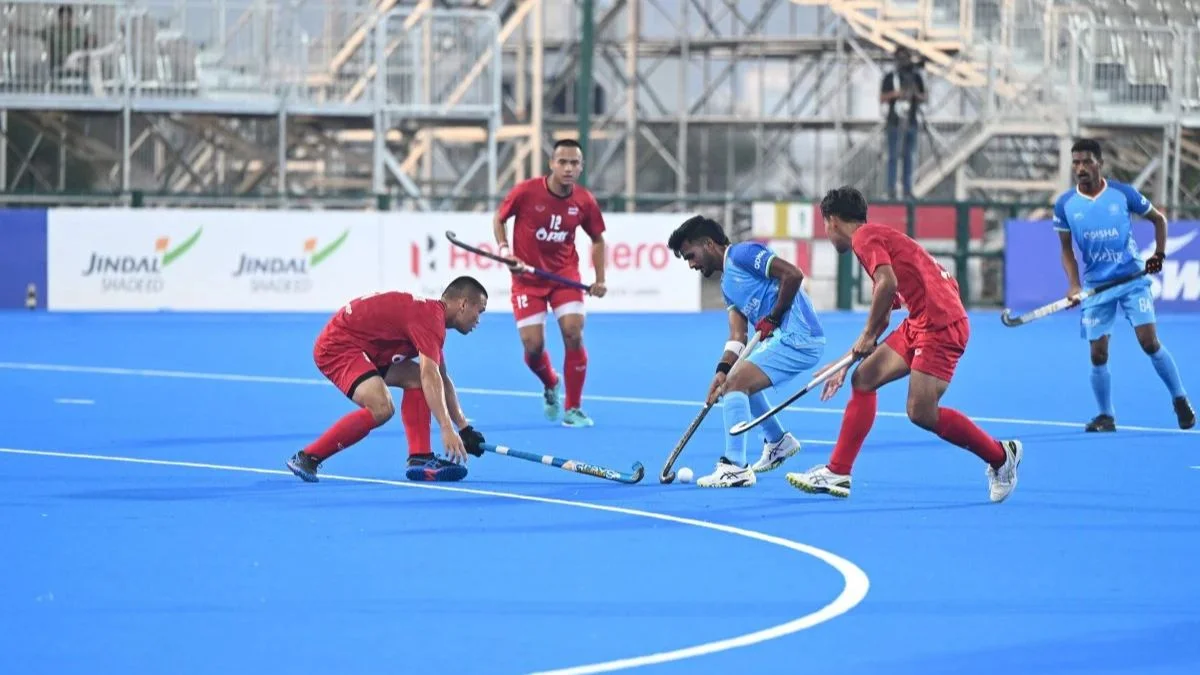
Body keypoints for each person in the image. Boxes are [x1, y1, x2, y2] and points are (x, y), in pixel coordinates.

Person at [786, 186, 1022, 502]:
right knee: (863, 378)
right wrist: (845, 363)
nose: (828, 234)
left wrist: (867, 336)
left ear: (833, 221)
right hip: (921, 321)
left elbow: (887, 284)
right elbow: (883, 316)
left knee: (921, 412)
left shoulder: (864, 239)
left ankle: (1000, 456)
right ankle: (838, 472)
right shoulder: (877, 238)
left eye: (826, 226)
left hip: (940, 326)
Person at [667, 216, 824, 487]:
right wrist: (722, 370)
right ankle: (778, 441)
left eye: (691, 255)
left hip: (799, 336)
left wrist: (773, 317)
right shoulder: (727, 286)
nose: (692, 264)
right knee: (734, 379)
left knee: (737, 384)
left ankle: (736, 467)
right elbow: (738, 336)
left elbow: (793, 274)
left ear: (708, 243)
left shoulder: (743, 254)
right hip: (784, 338)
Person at [286, 277, 490, 484]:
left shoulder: (430, 318)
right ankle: (307, 457)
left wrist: (464, 429)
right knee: (381, 407)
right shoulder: (429, 320)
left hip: (367, 348)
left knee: (417, 380)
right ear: (463, 304)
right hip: (338, 346)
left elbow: (441, 379)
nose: (478, 320)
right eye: (479, 311)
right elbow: (430, 376)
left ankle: (420, 458)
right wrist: (447, 428)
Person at [1053, 138, 1194, 431]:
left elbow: (1159, 220)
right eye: (1076, 162)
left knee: (1149, 342)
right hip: (1096, 285)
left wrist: (1159, 254)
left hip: (1132, 279)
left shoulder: (1122, 194)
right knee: (1098, 353)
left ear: (1099, 164)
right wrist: (1073, 285)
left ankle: (1179, 398)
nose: (1080, 167)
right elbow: (1066, 250)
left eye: (1087, 161)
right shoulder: (1066, 204)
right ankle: (1106, 415)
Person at [493, 138, 608, 428]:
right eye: (563, 162)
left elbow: (597, 239)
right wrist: (505, 251)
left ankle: (573, 408)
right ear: (552, 164)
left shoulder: (584, 201)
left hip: (564, 276)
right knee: (533, 347)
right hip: (526, 280)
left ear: (581, 167)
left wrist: (600, 279)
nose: (568, 168)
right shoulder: (525, 191)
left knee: (573, 332)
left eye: (574, 163)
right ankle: (550, 382)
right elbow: (499, 218)